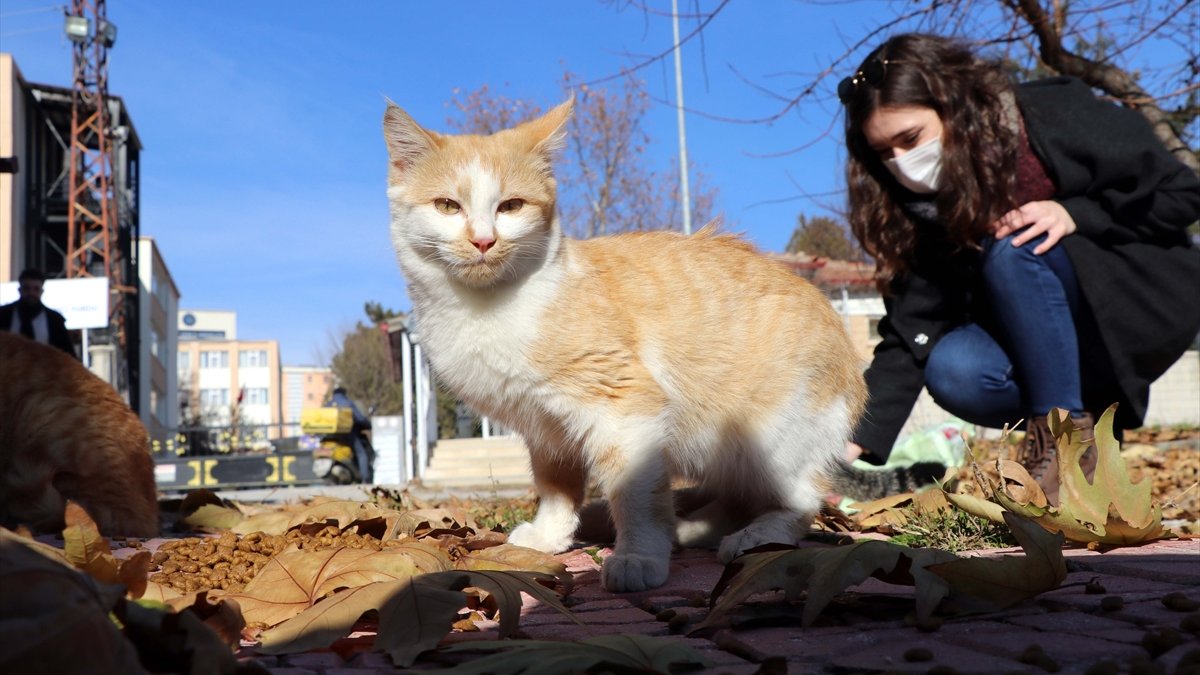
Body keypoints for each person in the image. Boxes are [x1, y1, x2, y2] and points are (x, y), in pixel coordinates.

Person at [837, 33, 1200, 501]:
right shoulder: (919, 213)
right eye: (884, 152)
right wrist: (841, 449)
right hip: (1046, 347)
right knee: (954, 369)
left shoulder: (1049, 114)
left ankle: (1063, 446)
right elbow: (911, 335)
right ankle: (1082, 439)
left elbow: (1181, 193)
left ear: (952, 106)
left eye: (911, 138)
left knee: (1013, 243)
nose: (903, 163)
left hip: (1139, 299)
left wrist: (1074, 214)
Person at [0, 268, 77, 358]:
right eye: (26, 288)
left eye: (36, 289)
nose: (31, 293)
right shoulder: (3, 315)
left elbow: (67, 354)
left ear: (41, 291)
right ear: (19, 290)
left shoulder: (54, 320)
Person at [327, 385, 374, 483]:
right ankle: (365, 478)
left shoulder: (328, 404)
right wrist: (366, 424)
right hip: (348, 435)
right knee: (361, 454)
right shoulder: (348, 403)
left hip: (329, 436)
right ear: (344, 393)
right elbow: (360, 418)